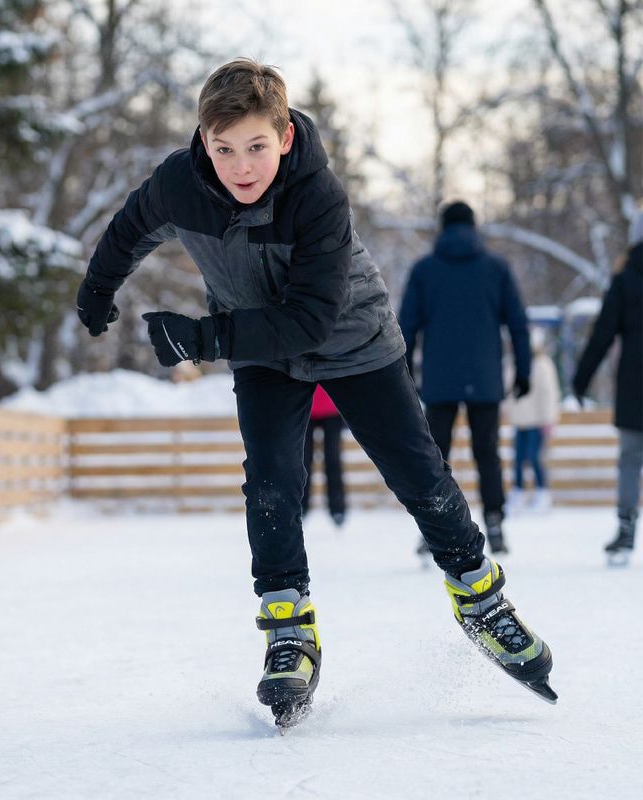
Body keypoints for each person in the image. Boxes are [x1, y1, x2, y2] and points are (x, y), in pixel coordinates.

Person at [75, 59, 556, 724]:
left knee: (419, 473)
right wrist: (99, 287)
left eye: (256, 148)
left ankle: (482, 598)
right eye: (223, 149)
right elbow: (132, 225)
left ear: (285, 139)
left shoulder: (316, 196)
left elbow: (310, 320)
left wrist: (205, 338)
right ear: (202, 142)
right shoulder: (180, 184)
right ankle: (288, 628)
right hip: (260, 350)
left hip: (351, 341)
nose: (240, 167)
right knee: (271, 482)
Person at [398, 201, 531, 555]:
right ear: (474, 227)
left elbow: (405, 327)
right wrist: (524, 370)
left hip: (440, 379)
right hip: (485, 377)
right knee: (487, 452)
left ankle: (434, 529)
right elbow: (518, 324)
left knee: (435, 455)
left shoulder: (425, 270)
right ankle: (496, 523)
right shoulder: (496, 268)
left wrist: (405, 374)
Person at [573, 209, 643, 563]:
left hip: (635, 380)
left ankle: (626, 531)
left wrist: (581, 379)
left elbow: (602, 335)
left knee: (630, 460)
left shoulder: (626, 279)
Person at [503, 326, 561, 514]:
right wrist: (507, 410)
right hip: (520, 421)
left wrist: (548, 419)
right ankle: (518, 493)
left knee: (535, 457)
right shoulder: (513, 362)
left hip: (537, 421)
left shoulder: (542, 364)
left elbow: (549, 393)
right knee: (518, 459)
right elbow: (508, 389)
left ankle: (542, 493)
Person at [301, 385, 346, 526]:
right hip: (306, 407)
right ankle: (301, 507)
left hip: (332, 408)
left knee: (333, 459)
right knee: (303, 461)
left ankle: (337, 509)